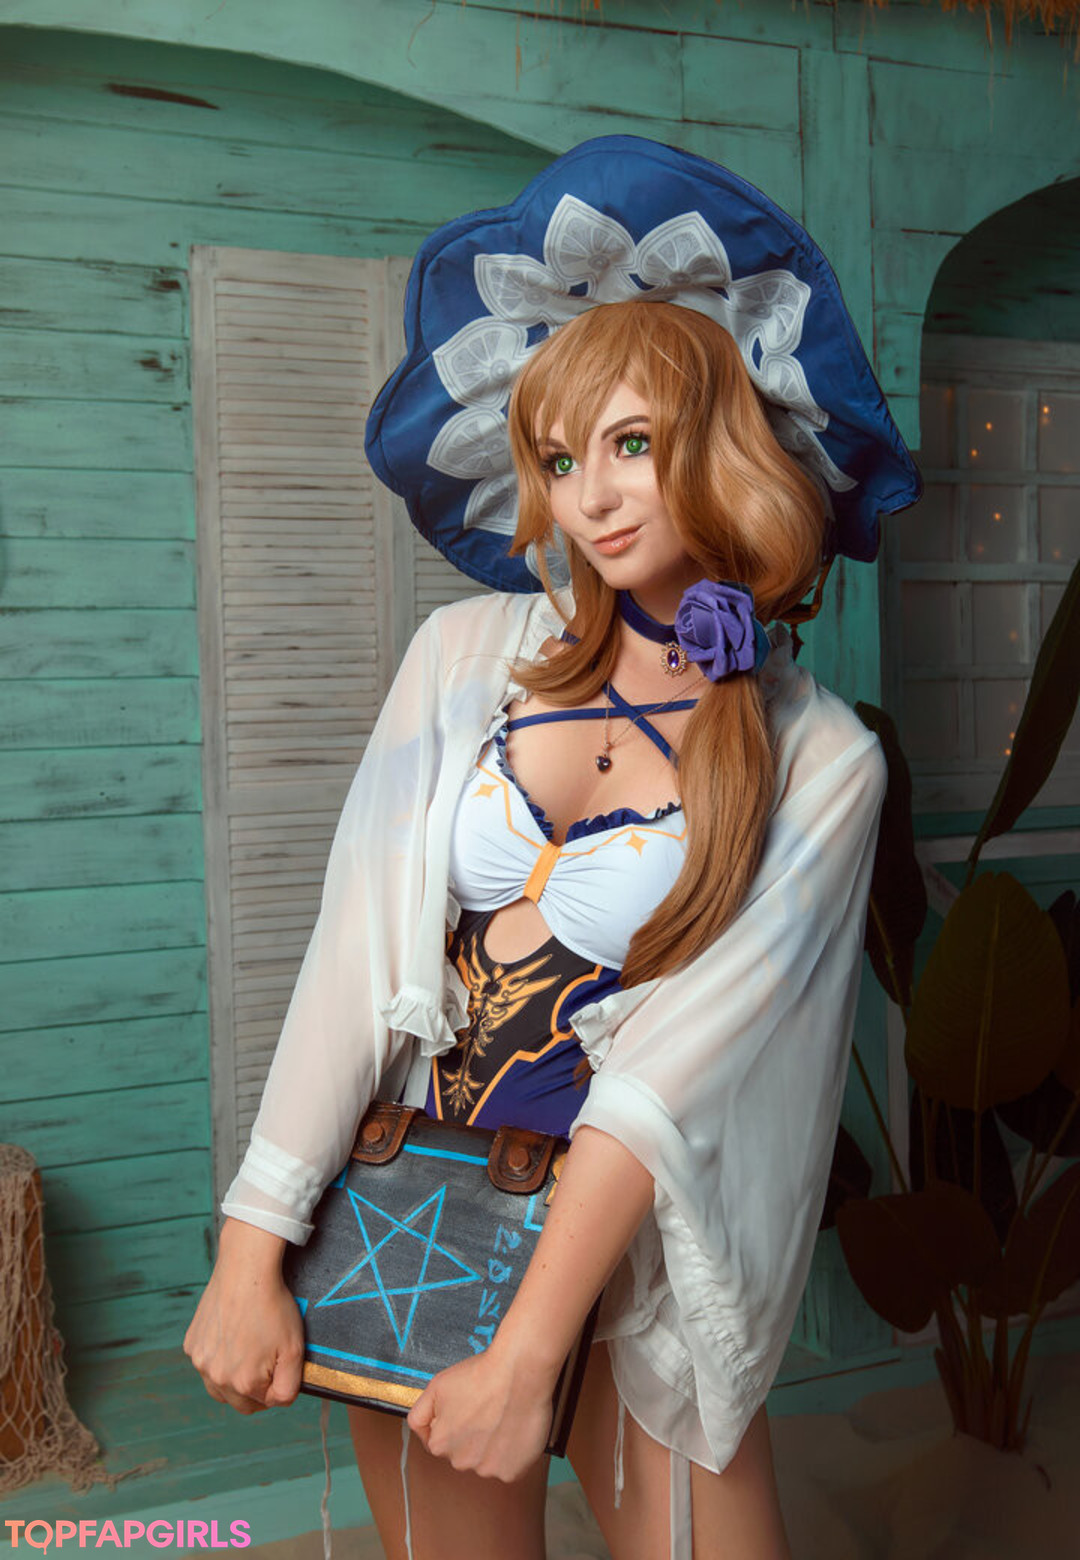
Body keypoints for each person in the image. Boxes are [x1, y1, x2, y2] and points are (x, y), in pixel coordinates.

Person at [185, 137, 919, 1560]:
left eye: (633, 445)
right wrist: (251, 1244)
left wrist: (534, 1352)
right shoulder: (462, 657)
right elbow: (354, 963)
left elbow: (671, 1076)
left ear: (725, 445)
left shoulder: (822, 758)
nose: (594, 495)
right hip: (423, 1226)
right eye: (563, 457)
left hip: (636, 1270)